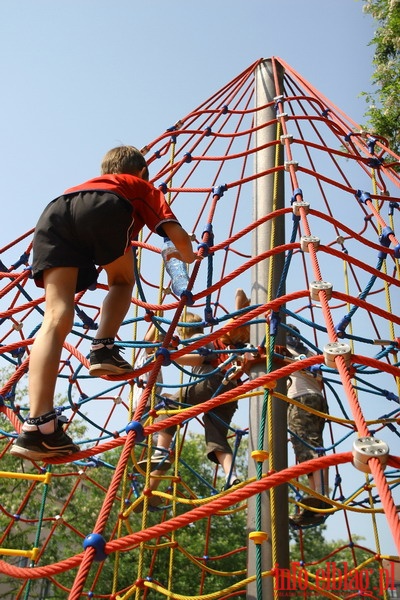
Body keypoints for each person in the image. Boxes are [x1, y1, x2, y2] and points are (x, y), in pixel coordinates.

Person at [10, 145, 197, 461]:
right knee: (122, 281)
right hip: (105, 209)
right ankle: (103, 347)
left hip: (53, 214)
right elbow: (177, 236)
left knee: (55, 315)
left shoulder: (85, 185)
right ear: (139, 172)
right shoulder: (138, 185)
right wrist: (192, 254)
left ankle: (38, 424)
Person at [137, 289, 250, 503]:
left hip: (211, 382)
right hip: (230, 390)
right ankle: (231, 476)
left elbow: (199, 358)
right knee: (216, 437)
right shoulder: (222, 340)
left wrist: (173, 356)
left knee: (167, 404)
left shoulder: (198, 338)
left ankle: (161, 452)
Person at [282, 325, 330, 527]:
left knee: (306, 447)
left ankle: (320, 493)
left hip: (299, 400)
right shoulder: (308, 352)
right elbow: (319, 381)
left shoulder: (284, 350)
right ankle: (316, 498)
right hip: (318, 400)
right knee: (313, 444)